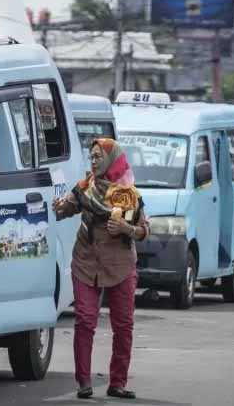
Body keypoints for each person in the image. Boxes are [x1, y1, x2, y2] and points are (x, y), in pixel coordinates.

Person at [53, 138, 148, 400]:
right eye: (91, 157)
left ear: (110, 159)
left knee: (124, 325)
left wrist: (126, 229)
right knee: (84, 320)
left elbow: (144, 230)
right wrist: (60, 207)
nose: (93, 162)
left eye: (98, 157)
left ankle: (117, 382)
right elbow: (67, 207)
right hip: (87, 262)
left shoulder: (129, 194)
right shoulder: (86, 187)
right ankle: (83, 381)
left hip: (120, 265)